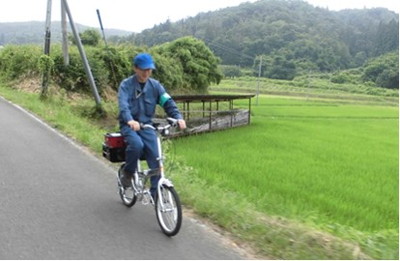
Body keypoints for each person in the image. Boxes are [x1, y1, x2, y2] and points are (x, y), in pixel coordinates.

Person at [118, 53, 186, 199]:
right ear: (135, 68)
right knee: (136, 145)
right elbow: (123, 106)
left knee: (156, 158)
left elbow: (168, 103)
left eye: (149, 69)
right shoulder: (126, 85)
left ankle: (157, 195)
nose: (146, 73)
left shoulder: (155, 86)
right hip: (129, 126)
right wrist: (130, 120)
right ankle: (128, 174)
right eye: (143, 69)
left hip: (147, 126)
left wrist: (178, 118)